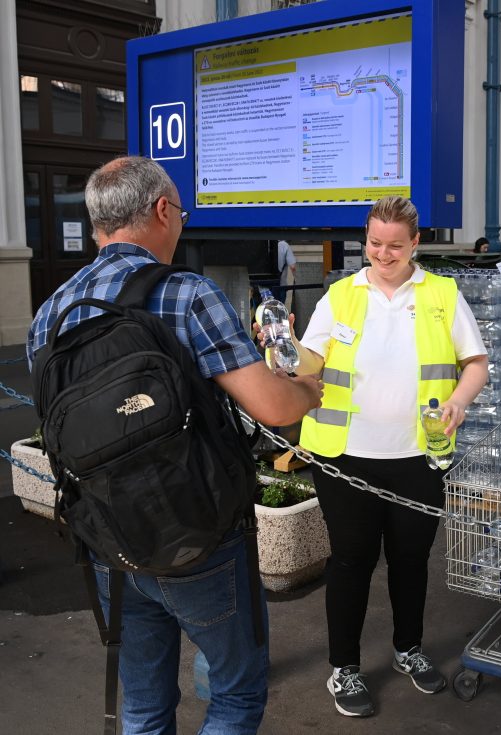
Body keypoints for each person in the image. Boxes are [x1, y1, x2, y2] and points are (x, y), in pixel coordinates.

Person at [26, 156, 324, 734]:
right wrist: (308, 391)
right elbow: (273, 408)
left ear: (97, 224)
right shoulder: (188, 294)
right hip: (201, 536)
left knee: (143, 705)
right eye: (182, 214)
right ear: (163, 210)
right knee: (235, 695)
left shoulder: (51, 313)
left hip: (108, 538)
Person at [287, 196, 489, 718]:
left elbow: (475, 363)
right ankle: (344, 667)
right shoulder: (340, 295)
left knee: (411, 560)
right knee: (350, 561)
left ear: (415, 243)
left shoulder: (442, 294)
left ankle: (408, 649)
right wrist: (283, 347)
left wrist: (459, 401)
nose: (383, 253)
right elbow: (308, 365)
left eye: (395, 245)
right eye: (375, 243)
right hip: (344, 458)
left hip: (419, 457)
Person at [278, 239, 297, 309]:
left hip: (263, 287)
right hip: (280, 286)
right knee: (280, 310)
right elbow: (293, 267)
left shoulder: (262, 242)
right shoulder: (284, 245)